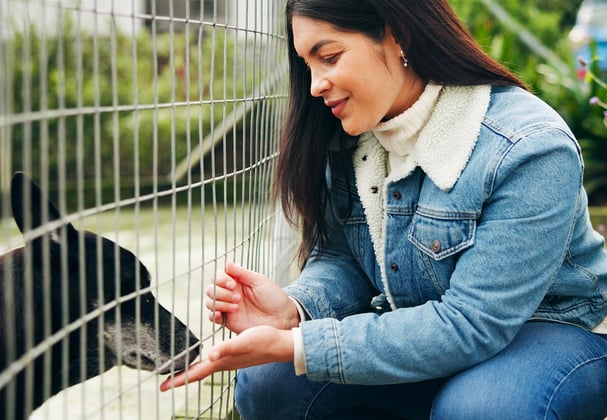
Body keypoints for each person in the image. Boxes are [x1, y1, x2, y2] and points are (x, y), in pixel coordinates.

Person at [160, 0, 607, 418]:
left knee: (480, 407)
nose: (315, 85)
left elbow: (472, 323)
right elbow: (346, 256)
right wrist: (294, 311)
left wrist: (301, 344)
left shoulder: (528, 148)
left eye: (329, 57)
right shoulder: (354, 135)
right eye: (307, 65)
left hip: (546, 331)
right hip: (419, 325)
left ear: (398, 37)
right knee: (268, 383)